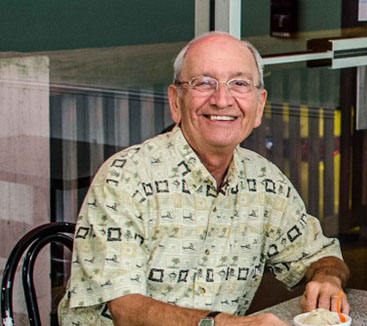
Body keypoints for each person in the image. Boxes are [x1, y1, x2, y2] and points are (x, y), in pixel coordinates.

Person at [58, 32, 350, 326]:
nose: (222, 100)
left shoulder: (264, 181)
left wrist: (327, 279)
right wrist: (226, 323)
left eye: (239, 84)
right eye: (204, 83)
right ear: (176, 101)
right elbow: (126, 309)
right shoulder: (125, 178)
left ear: (259, 105)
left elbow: (320, 255)